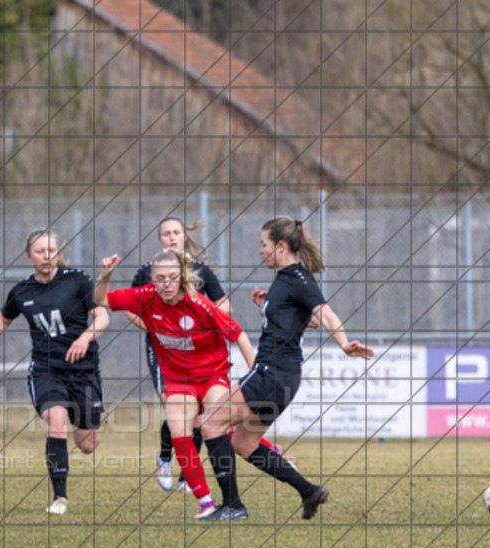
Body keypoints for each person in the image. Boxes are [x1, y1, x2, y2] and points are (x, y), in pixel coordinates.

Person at [202, 216, 375, 520]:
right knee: (243, 443)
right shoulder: (286, 279)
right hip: (282, 378)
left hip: (271, 373)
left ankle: (232, 507)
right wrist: (266, 305)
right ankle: (309, 491)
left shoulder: (298, 279)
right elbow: (308, 319)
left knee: (210, 424)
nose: (260, 251)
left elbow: (325, 314)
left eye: (263, 244)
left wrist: (344, 343)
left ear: (280, 246)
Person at [96, 248, 255, 521]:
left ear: (181, 278)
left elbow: (238, 334)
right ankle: (206, 504)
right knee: (179, 432)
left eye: (172, 277)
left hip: (213, 374)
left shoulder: (200, 304)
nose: (166, 284)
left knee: (213, 426)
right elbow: (98, 299)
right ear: (152, 280)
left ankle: (236, 496)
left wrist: (256, 373)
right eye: (160, 278)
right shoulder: (145, 296)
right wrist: (105, 276)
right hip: (178, 379)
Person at [129, 217, 281, 493]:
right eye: (166, 233)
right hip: (164, 351)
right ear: (159, 239)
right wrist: (158, 327)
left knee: (202, 415)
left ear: (184, 236)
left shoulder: (201, 271)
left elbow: (227, 309)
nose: (172, 237)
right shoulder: (147, 272)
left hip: (200, 354)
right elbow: (130, 308)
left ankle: (188, 477)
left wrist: (199, 314)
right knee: (178, 411)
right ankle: (165, 457)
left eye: (176, 232)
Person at [0, 228, 109, 515]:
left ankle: (85, 423)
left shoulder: (78, 280)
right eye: (40, 252)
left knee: (87, 444)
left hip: (83, 371)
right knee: (56, 420)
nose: (47, 256)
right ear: (28, 256)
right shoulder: (22, 291)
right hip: (46, 370)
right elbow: (2, 318)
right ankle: (60, 498)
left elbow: (102, 316)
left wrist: (85, 337)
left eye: (51, 250)